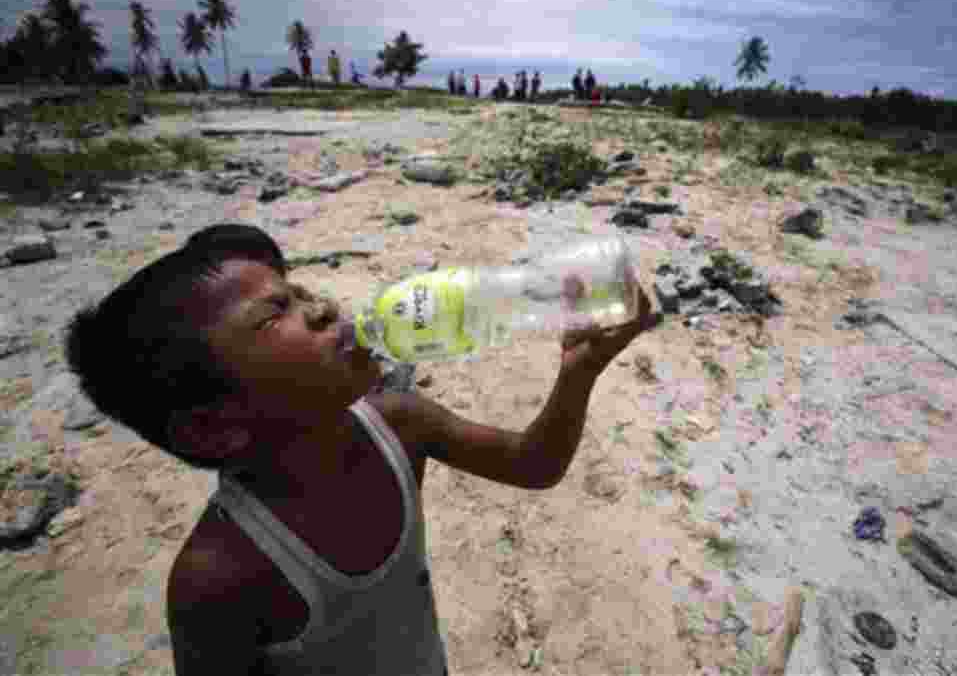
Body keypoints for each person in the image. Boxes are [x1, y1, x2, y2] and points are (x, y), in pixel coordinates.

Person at [62, 223, 660, 675]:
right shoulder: (220, 576)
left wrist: (578, 372)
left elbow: (534, 464)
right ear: (213, 428)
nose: (321, 307)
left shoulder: (397, 421)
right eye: (275, 313)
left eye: (297, 290)